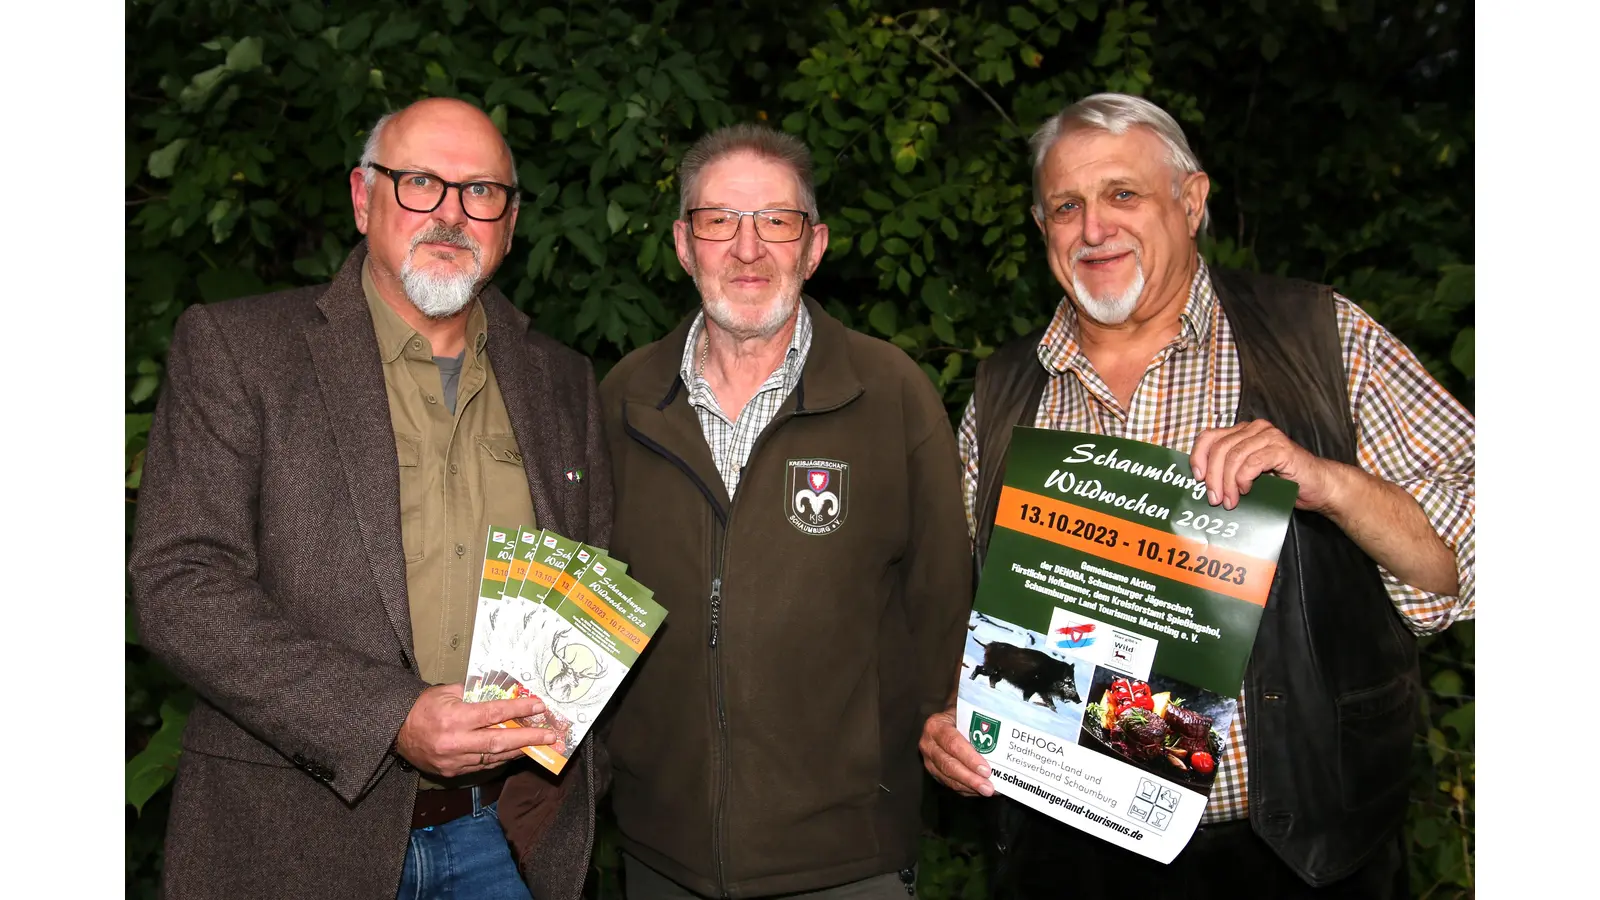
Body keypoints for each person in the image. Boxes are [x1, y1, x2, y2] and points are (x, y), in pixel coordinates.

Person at [917, 93, 1475, 899]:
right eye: (1066, 206)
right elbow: (959, 602)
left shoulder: (1320, 337)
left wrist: (1333, 486)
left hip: (1296, 857)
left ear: (1192, 201)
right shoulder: (1004, 392)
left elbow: (1466, 560)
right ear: (1043, 230)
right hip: (1067, 855)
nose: (1094, 228)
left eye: (1123, 194)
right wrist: (948, 715)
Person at [129, 98, 611, 900]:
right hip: (297, 842)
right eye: (421, 182)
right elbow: (181, 585)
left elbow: (586, 582)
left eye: (481, 192)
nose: (452, 214)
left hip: (511, 841)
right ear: (363, 197)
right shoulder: (242, 350)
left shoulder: (561, 381)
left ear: (511, 220)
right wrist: (391, 717)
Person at [549, 124, 972, 899]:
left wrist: (948, 725)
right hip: (658, 852)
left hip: (848, 859)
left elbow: (943, 603)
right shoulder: (623, 400)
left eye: (776, 220)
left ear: (814, 246)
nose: (747, 249)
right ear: (684, 244)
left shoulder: (892, 393)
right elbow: (587, 603)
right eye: (718, 221)